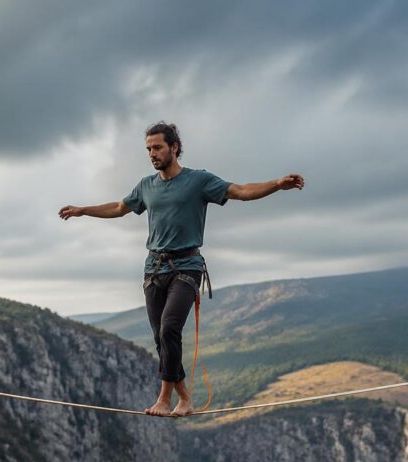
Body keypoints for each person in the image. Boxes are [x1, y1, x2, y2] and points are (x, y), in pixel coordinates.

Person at [59, 121, 304, 417]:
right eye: (149, 148)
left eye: (158, 147)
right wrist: (83, 210)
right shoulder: (146, 186)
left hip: (186, 266)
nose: (152, 153)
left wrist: (277, 185)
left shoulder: (198, 181)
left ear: (174, 148)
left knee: (170, 328)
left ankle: (163, 399)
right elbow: (119, 208)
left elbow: (240, 191)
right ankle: (185, 398)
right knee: (161, 338)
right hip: (153, 269)